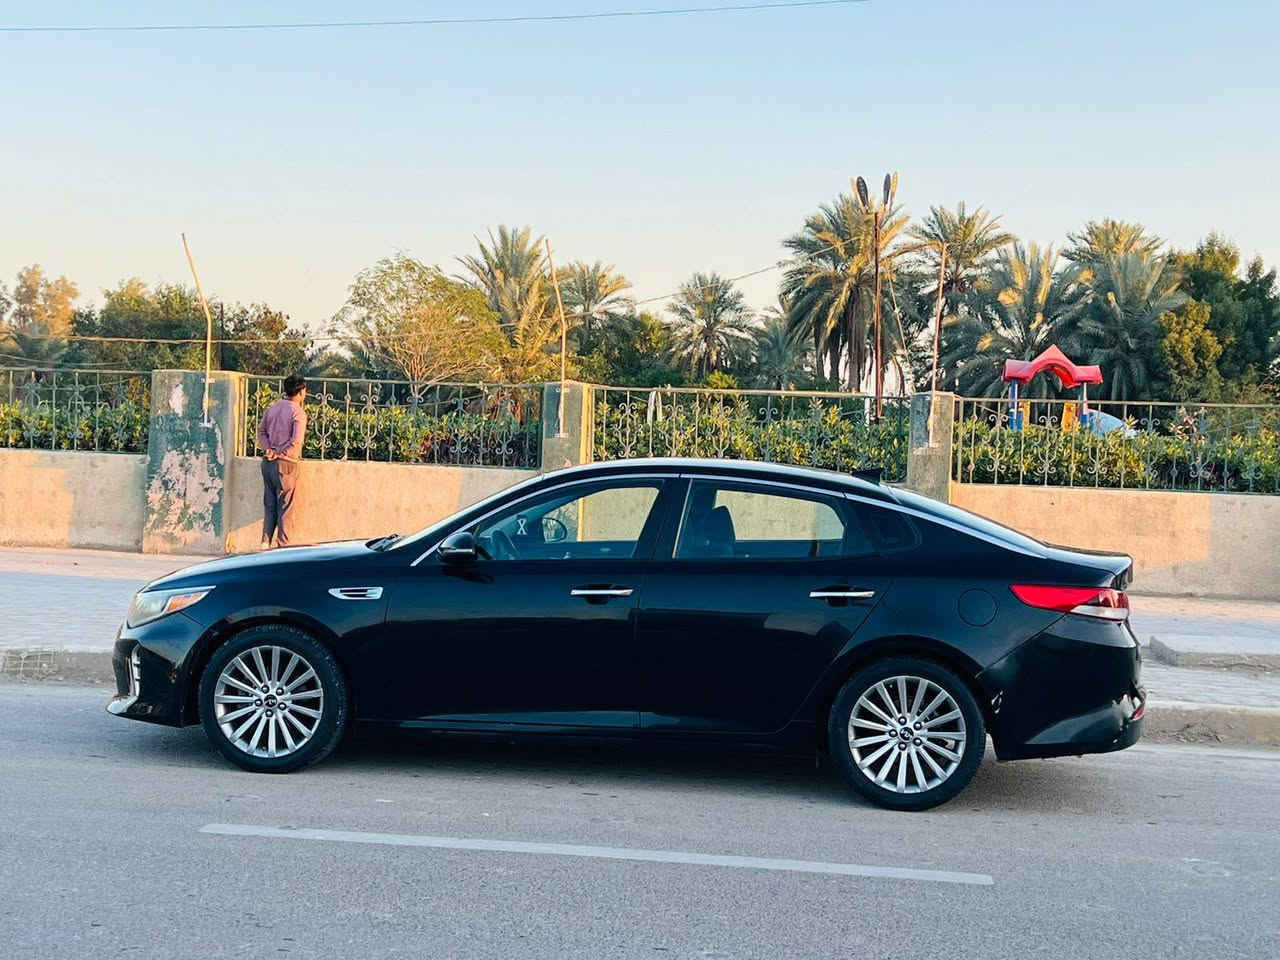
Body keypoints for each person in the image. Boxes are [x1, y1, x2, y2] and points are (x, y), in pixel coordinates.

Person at [255, 375, 308, 549]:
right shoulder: (298, 412)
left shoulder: (273, 408)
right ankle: (283, 547)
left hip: (267, 463)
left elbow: (261, 432)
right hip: (286, 464)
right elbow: (296, 441)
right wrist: (279, 453)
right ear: (301, 392)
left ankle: (265, 543)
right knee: (286, 507)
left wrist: (269, 450)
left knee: (270, 505)